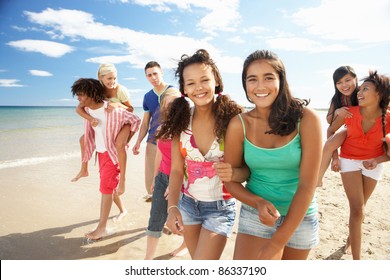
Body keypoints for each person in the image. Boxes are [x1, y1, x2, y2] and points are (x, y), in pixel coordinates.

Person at [223, 50, 322, 260]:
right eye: (252, 79)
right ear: (245, 85)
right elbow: (230, 181)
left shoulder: (307, 119)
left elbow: (307, 185)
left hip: (301, 217)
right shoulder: (238, 124)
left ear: (281, 80)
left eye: (268, 77)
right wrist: (257, 202)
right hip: (255, 214)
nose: (260, 86)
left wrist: (276, 243)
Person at [158, 49, 244, 260]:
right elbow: (177, 170)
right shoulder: (180, 120)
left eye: (204, 79)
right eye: (191, 83)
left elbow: (247, 170)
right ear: (184, 89)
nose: (199, 88)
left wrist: (233, 172)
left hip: (221, 207)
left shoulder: (234, 118)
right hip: (187, 204)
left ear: (216, 81)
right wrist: (172, 208)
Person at [326, 70, 390, 259]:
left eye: (365, 89)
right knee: (357, 209)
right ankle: (357, 261)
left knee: (360, 208)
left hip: (374, 163)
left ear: (379, 93)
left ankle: (349, 240)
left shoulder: (388, 117)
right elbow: (330, 130)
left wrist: (377, 160)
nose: (359, 93)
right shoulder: (349, 112)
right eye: (359, 89)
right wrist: (335, 157)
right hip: (349, 160)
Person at [71, 78, 141, 240]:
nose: (79, 98)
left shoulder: (113, 111)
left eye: (81, 95)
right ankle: (123, 210)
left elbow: (135, 119)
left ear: (91, 94)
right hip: (101, 153)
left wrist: (124, 140)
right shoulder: (87, 110)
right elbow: (80, 113)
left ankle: (101, 228)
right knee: (108, 187)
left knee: (106, 189)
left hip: (112, 155)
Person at [72, 64, 134, 210]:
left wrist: (118, 104)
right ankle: (84, 168)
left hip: (123, 122)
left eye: (114, 78)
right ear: (101, 78)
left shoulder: (120, 90)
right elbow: (80, 108)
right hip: (108, 124)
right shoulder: (97, 89)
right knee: (83, 139)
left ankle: (123, 180)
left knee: (119, 145)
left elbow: (131, 109)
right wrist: (90, 118)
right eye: (109, 78)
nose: (112, 81)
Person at [144, 87, 187, 260]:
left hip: (184, 180)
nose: (171, 110)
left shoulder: (187, 129)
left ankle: (185, 245)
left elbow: (188, 159)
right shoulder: (162, 128)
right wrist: (155, 178)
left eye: (175, 105)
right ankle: (148, 259)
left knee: (184, 219)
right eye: (167, 106)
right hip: (163, 177)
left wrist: (174, 185)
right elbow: (160, 155)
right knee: (155, 216)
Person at [132, 61, 173, 202]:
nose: (153, 77)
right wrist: (138, 141)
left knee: (172, 179)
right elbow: (145, 123)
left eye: (155, 73)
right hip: (152, 141)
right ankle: (156, 211)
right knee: (151, 180)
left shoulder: (174, 92)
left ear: (161, 73)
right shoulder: (147, 97)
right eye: (149, 75)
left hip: (171, 141)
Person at [316, 66, 359, 187]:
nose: (344, 85)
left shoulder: (363, 94)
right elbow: (330, 123)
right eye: (339, 82)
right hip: (348, 128)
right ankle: (317, 180)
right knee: (329, 143)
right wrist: (337, 111)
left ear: (355, 79)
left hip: (367, 130)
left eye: (347, 80)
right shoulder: (338, 99)